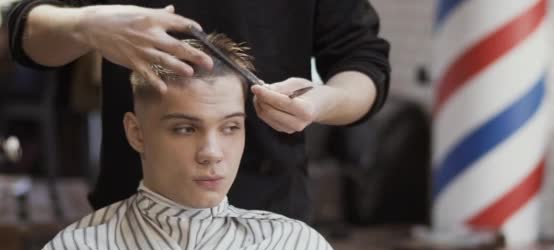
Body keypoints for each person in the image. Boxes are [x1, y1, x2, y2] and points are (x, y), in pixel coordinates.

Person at [0, 35, 390, 250]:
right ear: (136, 132)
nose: (212, 153)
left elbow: (364, 54)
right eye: (185, 129)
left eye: (230, 127)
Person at [6, 0, 391, 222]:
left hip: (269, 218)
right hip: (130, 217)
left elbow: (364, 60)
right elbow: (16, 22)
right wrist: (84, 26)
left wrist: (318, 103)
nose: (211, 153)